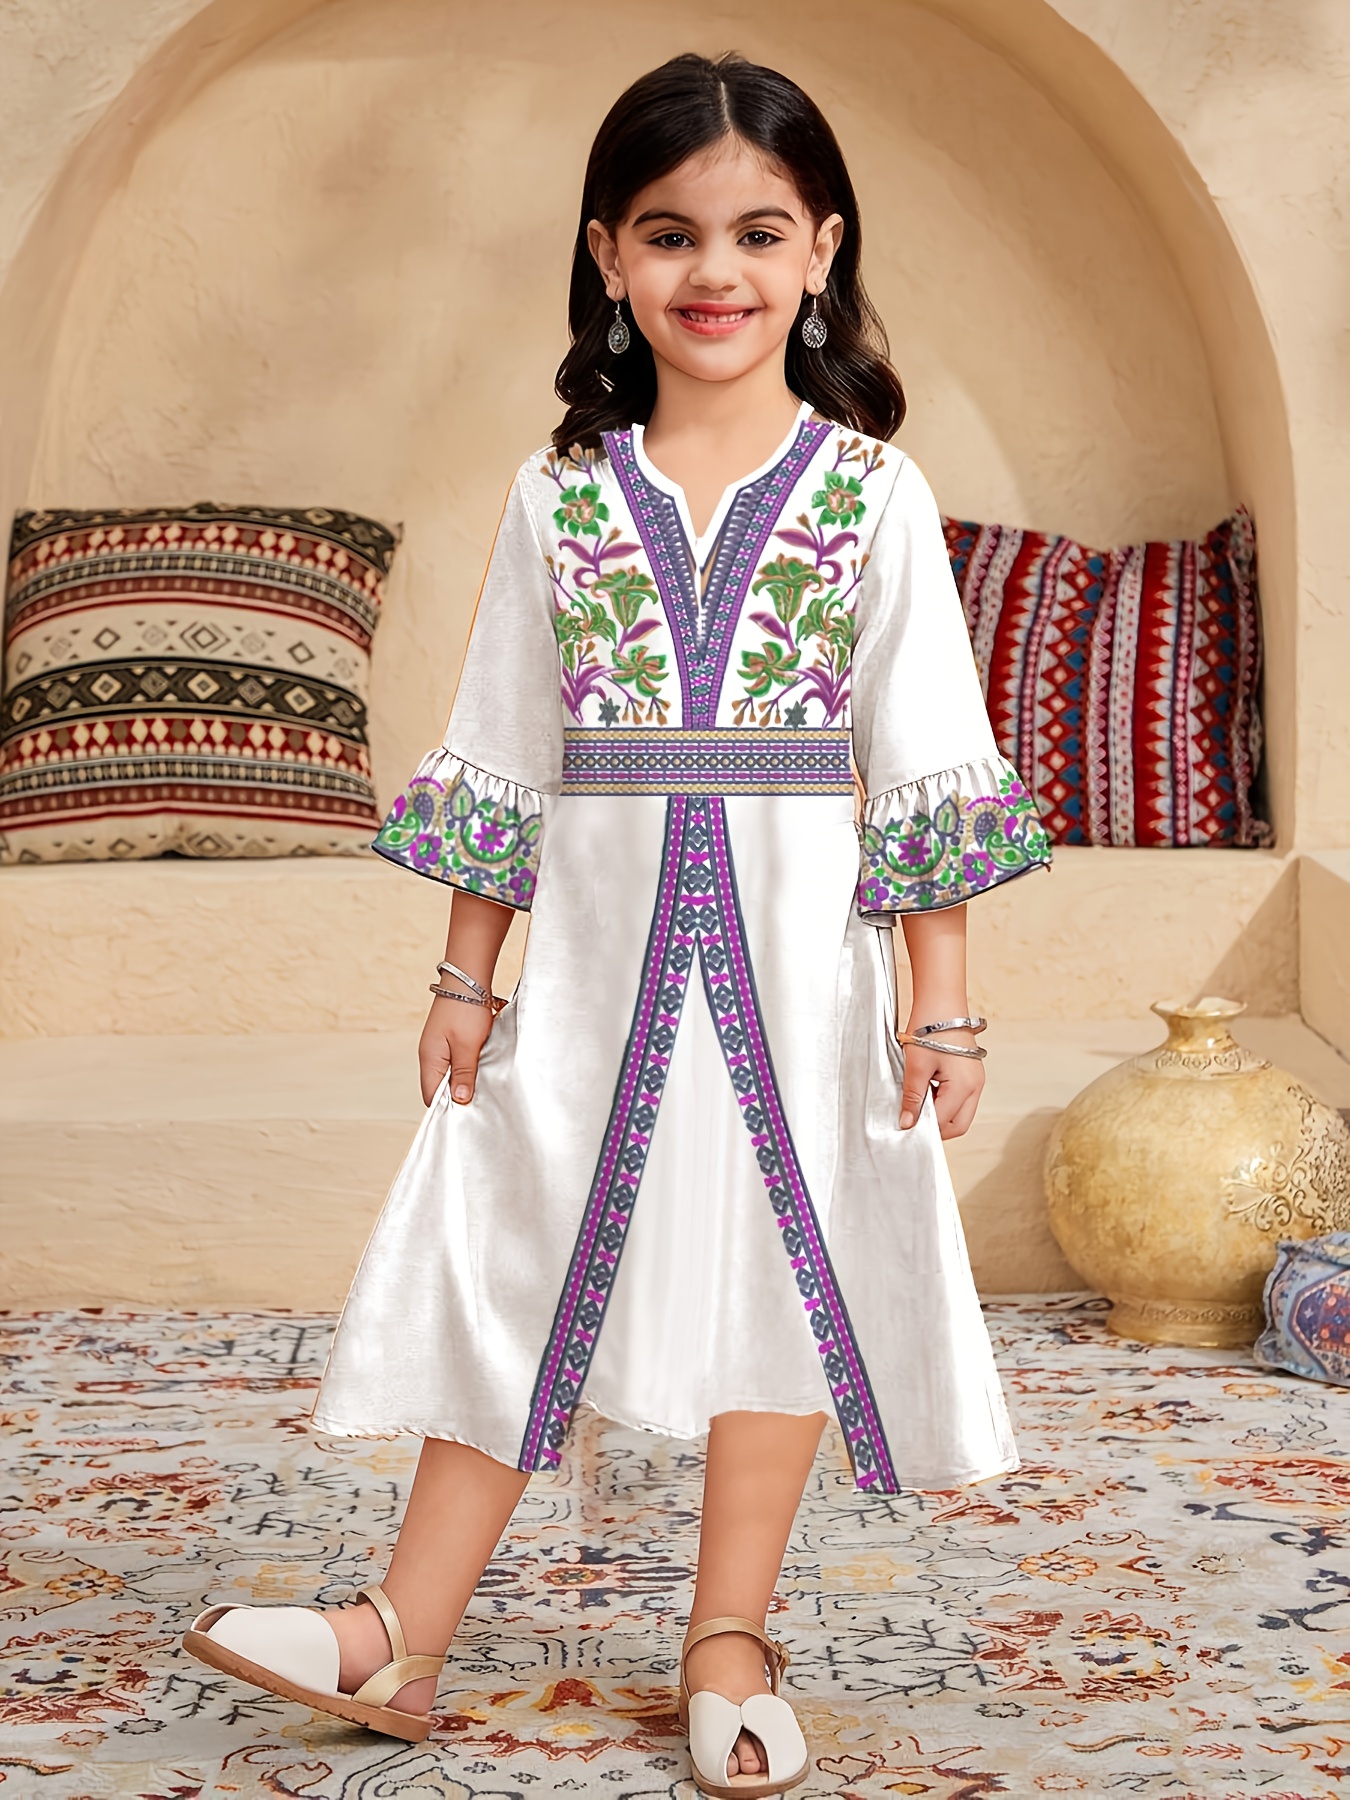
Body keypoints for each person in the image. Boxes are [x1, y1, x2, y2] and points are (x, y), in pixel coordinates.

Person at [183, 51, 1051, 1796]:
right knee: (524, 1241)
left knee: (782, 1264)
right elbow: (503, 743)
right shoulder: (560, 493)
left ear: (820, 250)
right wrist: (466, 974)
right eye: (668, 234)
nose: (712, 272)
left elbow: (924, 755)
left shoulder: (868, 493)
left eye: (755, 234)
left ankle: (727, 1639)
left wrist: (938, 1003)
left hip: (799, 966)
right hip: (592, 958)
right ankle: (396, 1630)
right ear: (605, 255)